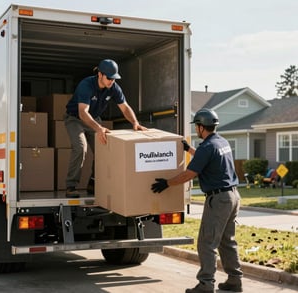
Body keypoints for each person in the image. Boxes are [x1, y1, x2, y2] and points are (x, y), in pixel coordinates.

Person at [151, 108, 243, 293]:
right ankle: (235, 280)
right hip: (233, 196)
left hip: (219, 199)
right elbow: (208, 158)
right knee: (227, 241)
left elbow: (189, 174)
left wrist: (167, 183)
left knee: (207, 243)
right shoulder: (221, 142)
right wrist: (189, 149)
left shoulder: (207, 147)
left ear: (201, 127)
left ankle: (205, 284)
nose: (197, 130)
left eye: (197, 127)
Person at [65, 59, 147, 198]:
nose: (111, 81)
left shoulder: (114, 88)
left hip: (94, 119)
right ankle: (71, 186)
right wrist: (99, 129)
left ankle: (93, 182)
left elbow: (124, 107)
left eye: (114, 79)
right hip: (75, 119)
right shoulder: (86, 85)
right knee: (81, 147)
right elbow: (83, 113)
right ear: (100, 75)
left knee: (103, 150)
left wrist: (135, 122)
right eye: (109, 78)